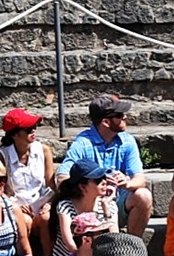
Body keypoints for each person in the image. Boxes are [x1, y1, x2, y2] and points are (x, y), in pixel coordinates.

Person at [62, 94, 152, 237]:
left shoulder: (128, 141)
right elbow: (62, 177)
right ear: (105, 122)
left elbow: (140, 179)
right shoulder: (82, 144)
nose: (125, 117)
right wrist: (91, 187)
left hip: (117, 202)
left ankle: (132, 247)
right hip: (90, 207)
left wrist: (126, 183)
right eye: (119, 115)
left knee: (144, 195)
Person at [0, 108, 56, 256]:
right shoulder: (2, 156)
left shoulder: (44, 150)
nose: (33, 131)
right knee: (24, 220)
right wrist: (14, 204)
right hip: (16, 205)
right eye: (28, 129)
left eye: (34, 128)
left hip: (41, 201)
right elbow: (0, 190)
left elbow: (51, 185)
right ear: (15, 134)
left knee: (46, 218)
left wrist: (49, 203)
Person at [54, 160, 119, 239]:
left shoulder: (110, 205)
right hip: (74, 251)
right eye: (98, 180)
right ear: (82, 187)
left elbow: (115, 238)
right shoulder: (66, 207)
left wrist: (105, 207)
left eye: (104, 177)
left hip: (99, 251)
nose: (104, 182)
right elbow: (70, 245)